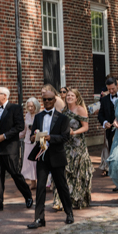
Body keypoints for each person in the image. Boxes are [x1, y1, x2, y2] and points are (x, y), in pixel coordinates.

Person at [28, 89, 73, 226]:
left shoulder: (62, 118)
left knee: (61, 186)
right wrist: (33, 137)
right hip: (42, 156)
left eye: (49, 99)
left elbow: (65, 137)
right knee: (40, 187)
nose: (47, 102)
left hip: (56, 155)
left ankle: (69, 213)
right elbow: (32, 136)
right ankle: (39, 218)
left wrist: (50, 137)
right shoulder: (38, 116)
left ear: (54, 100)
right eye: (44, 100)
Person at [0, 87, 33, 212]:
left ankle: (28, 196)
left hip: (10, 148)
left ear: (5, 95)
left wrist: (5, 136)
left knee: (15, 174)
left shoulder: (15, 108)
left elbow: (19, 126)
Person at [53, 89, 92, 210]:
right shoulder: (63, 111)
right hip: (66, 146)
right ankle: (58, 201)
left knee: (77, 173)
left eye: (72, 95)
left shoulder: (80, 109)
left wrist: (73, 132)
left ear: (76, 98)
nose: (69, 97)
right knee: (63, 172)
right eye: (68, 95)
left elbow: (85, 127)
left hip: (78, 146)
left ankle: (75, 199)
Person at [98, 78, 118, 177]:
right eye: (109, 89)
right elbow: (100, 114)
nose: (111, 91)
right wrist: (105, 122)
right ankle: (113, 170)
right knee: (110, 148)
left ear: (117, 85)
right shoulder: (105, 99)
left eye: (113, 89)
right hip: (109, 129)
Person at [20, 97, 40, 190]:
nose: (30, 108)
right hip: (27, 141)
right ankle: (33, 182)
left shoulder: (40, 115)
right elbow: (24, 130)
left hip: (37, 141)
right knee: (29, 162)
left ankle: (40, 181)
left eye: (32, 106)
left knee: (37, 162)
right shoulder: (27, 115)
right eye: (29, 107)